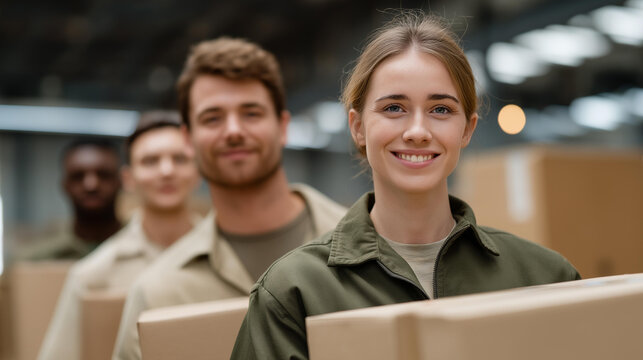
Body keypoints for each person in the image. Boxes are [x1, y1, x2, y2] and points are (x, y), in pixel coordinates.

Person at [231, 12, 581, 359]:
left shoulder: (545, 278)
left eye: (441, 109)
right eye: (395, 107)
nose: (417, 131)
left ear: (467, 129)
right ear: (358, 126)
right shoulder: (294, 292)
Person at [111, 37, 346, 360]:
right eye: (212, 118)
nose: (233, 130)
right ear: (187, 139)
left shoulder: (364, 247)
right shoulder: (158, 293)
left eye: (251, 113)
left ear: (282, 126)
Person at [38, 111, 202, 360]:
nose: (167, 170)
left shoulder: (228, 255)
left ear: (198, 171)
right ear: (128, 178)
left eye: (180, 159)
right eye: (150, 161)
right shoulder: (93, 275)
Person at [19, 139, 123, 260]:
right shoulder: (37, 258)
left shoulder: (143, 245)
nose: (91, 185)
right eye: (78, 176)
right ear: (65, 185)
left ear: (120, 182)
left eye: (104, 175)